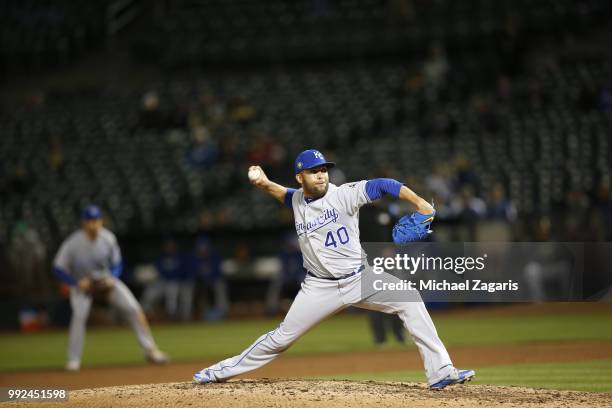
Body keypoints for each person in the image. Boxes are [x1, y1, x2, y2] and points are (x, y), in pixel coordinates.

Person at [193, 149, 474, 390]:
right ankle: (217, 372)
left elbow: (385, 184)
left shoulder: (344, 195)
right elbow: (277, 191)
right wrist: (262, 182)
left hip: (360, 278)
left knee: (409, 298)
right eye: (314, 171)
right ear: (300, 177)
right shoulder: (296, 200)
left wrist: (420, 203)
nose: (321, 175)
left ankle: (440, 372)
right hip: (319, 287)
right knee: (280, 339)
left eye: (324, 170)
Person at [53, 205, 169, 371]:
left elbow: (117, 264)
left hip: (105, 281)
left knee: (134, 309)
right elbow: (58, 268)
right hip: (83, 285)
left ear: (101, 221)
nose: (93, 224)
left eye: (96, 220)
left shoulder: (108, 238)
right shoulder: (73, 243)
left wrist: (112, 277)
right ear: (83, 222)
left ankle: (151, 351)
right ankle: (73, 360)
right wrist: (75, 283)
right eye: (89, 221)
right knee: (79, 317)